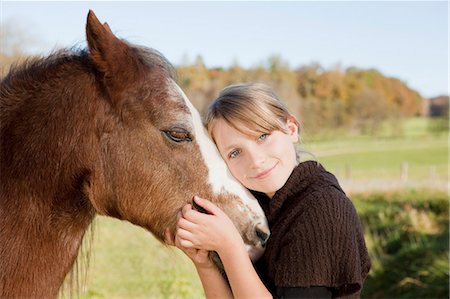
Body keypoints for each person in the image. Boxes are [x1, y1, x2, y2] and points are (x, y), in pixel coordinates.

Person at [165, 83, 371, 298]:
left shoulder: (322, 209)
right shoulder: (258, 209)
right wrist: (206, 265)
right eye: (235, 152)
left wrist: (230, 247)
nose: (256, 161)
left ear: (291, 129)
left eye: (262, 136)